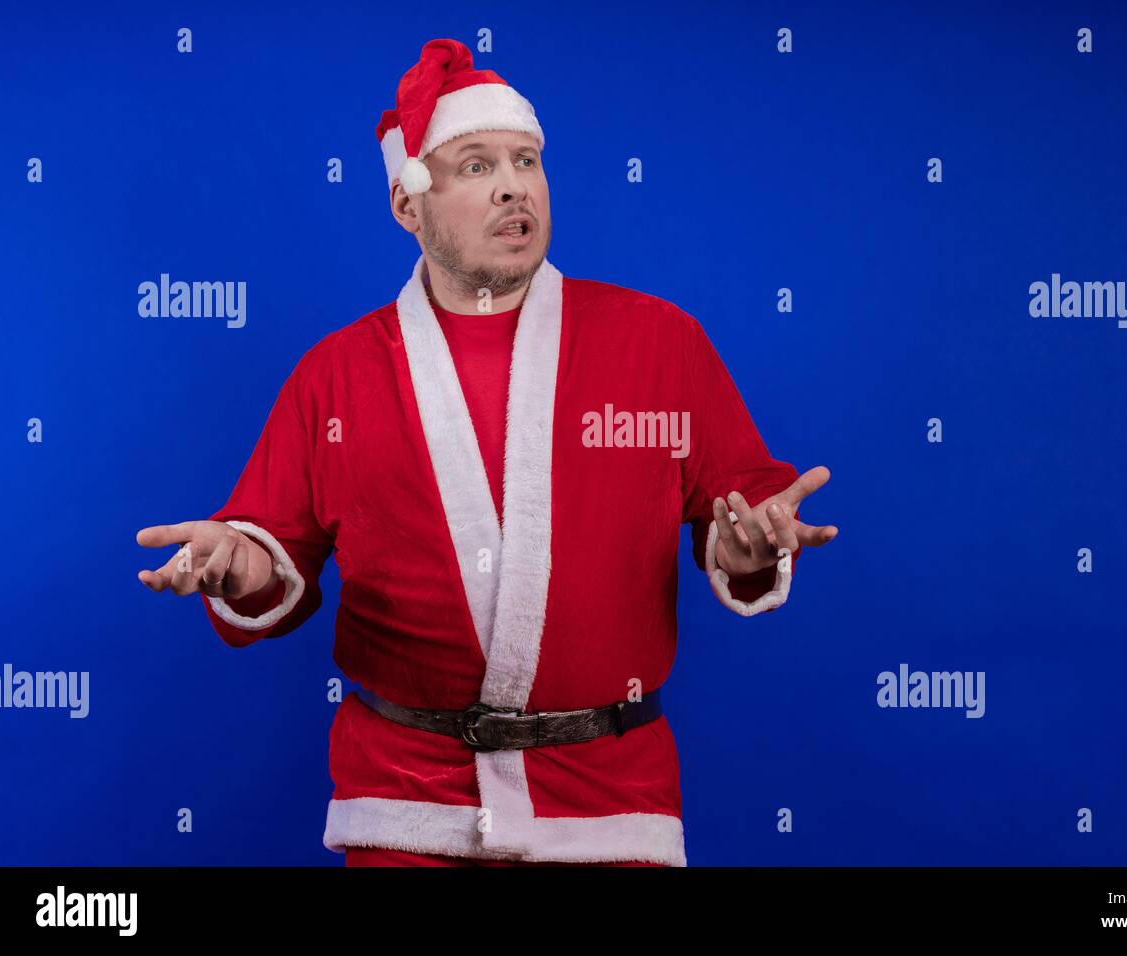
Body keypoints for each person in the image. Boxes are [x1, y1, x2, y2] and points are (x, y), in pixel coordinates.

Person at [136, 38, 837, 867]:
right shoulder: (335, 375)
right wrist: (234, 561)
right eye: (474, 166)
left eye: (527, 160)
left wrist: (752, 537)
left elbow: (742, 510)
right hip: (405, 804)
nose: (513, 184)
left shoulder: (659, 342)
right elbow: (273, 553)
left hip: (612, 803)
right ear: (408, 204)